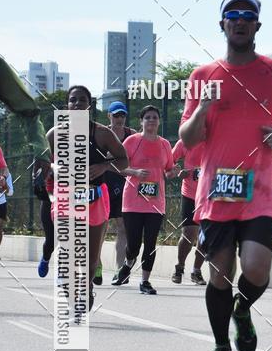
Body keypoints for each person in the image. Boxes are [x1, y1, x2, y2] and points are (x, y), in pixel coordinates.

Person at [180, 0, 272, 351]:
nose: (240, 21)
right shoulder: (203, 76)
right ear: (223, 24)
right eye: (233, 15)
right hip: (216, 192)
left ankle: (242, 308)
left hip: (260, 192)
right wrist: (203, 108)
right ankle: (221, 344)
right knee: (219, 273)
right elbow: (187, 138)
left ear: (257, 26)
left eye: (248, 16)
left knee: (256, 267)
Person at [47, 85, 128, 309]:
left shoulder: (102, 133)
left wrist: (104, 166)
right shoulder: (54, 134)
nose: (77, 104)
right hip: (66, 198)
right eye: (73, 100)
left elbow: (124, 161)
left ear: (89, 105)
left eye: (82, 100)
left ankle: (87, 285)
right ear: (67, 105)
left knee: (91, 260)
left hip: (94, 199)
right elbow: (48, 164)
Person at [112, 104, 177, 295]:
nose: (151, 120)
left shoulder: (165, 144)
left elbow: (168, 170)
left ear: (159, 121)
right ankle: (128, 264)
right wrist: (135, 172)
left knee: (150, 243)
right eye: (147, 117)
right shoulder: (132, 141)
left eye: (154, 117)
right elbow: (117, 167)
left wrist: (174, 172)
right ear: (141, 121)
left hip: (156, 203)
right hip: (132, 202)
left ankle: (145, 281)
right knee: (133, 244)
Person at [97, 100, 134, 286]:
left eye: (122, 115)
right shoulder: (102, 134)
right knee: (100, 228)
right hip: (104, 183)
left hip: (124, 183)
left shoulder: (132, 134)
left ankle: (120, 270)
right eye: (116, 115)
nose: (119, 119)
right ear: (109, 116)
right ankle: (96, 265)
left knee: (123, 227)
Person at [171, 137, 206, 285]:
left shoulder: (217, 139)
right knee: (189, 234)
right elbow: (169, 161)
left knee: (205, 236)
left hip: (210, 194)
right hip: (190, 194)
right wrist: (178, 171)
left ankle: (196, 271)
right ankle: (179, 267)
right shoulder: (186, 139)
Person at [33, 163, 54, 278]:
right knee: (51, 241)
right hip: (49, 198)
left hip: (71, 198)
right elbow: (37, 171)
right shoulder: (45, 154)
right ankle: (45, 258)